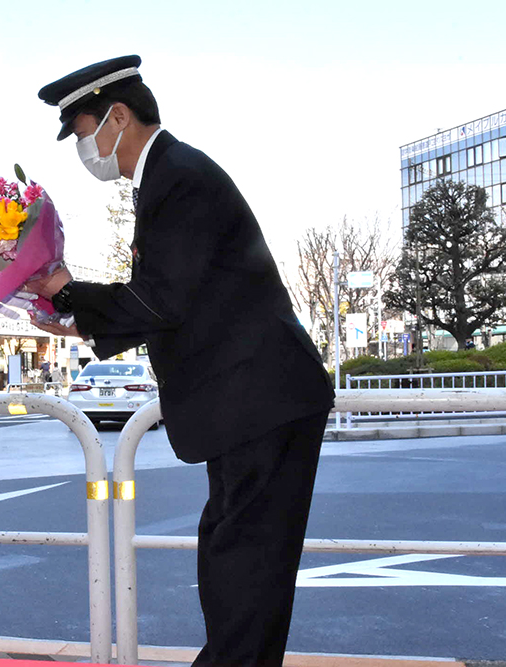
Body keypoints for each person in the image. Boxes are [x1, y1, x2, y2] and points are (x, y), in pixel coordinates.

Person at [30, 56, 335, 666]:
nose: (83, 150)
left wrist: (67, 290)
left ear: (117, 117)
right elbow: (171, 300)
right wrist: (76, 314)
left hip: (260, 402)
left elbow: (162, 299)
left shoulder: (179, 178)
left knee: (244, 566)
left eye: (83, 132)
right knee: (236, 560)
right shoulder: (168, 175)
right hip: (251, 404)